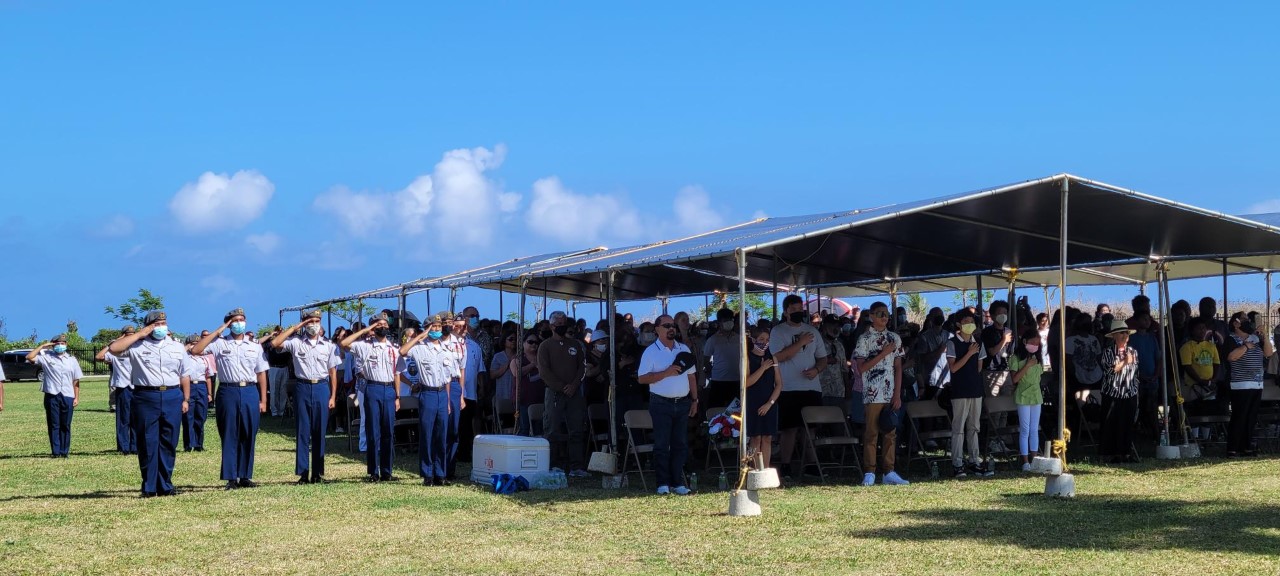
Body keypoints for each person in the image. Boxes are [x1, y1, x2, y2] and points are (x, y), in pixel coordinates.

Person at [106, 312, 191, 497]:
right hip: (145, 395)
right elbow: (113, 349)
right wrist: (137, 335)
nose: (161, 326)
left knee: (169, 442)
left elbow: (185, 374)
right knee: (147, 441)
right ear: (148, 326)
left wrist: (186, 398)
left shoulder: (177, 347)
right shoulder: (136, 345)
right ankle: (149, 486)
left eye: (164, 323)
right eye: (156, 324)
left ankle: (165, 484)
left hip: (171, 394)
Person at [192, 308, 270, 490]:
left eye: (242, 319)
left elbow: (261, 373)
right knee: (229, 433)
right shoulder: (220, 343)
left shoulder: (254, 345)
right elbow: (196, 349)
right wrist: (219, 330)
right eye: (234, 320)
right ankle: (230, 477)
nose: (239, 323)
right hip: (228, 391)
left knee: (248, 433)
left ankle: (245, 476)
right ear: (228, 324)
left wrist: (263, 400)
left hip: (250, 390)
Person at [271, 311, 342, 484]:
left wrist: (332, 396)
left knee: (319, 431)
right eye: (311, 321)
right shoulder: (296, 342)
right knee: (303, 431)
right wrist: (297, 327)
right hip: (302, 386)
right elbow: (275, 343)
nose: (314, 324)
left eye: (317, 321)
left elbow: (333, 373)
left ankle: (317, 473)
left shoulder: (329, 345)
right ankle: (303, 473)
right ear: (304, 323)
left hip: (321, 387)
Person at [638, 314, 698, 495]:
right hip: (660, 403)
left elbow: (691, 376)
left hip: (682, 403)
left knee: (680, 444)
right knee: (662, 445)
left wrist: (695, 400)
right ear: (657, 329)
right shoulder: (650, 352)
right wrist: (666, 372)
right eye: (666, 325)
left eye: (672, 325)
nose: (671, 328)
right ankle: (662, 483)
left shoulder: (684, 349)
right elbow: (642, 378)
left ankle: (678, 482)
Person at [769, 295, 828, 477]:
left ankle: (811, 465)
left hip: (811, 387)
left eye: (800, 309)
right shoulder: (778, 332)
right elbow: (777, 357)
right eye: (793, 310)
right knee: (789, 428)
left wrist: (817, 370)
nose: (798, 312)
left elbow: (823, 358)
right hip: (787, 387)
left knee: (810, 428)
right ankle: (786, 465)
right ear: (786, 311)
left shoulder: (813, 331)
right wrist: (800, 343)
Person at [853, 302, 909, 486]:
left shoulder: (894, 338)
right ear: (871, 316)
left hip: (889, 392)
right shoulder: (864, 339)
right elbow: (861, 368)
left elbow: (898, 368)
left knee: (890, 431)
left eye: (886, 314)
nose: (884, 317)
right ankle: (870, 471)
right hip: (871, 393)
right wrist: (884, 353)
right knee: (871, 433)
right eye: (880, 314)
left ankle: (889, 471)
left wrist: (897, 394)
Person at [341, 314, 402, 482]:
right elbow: (344, 344)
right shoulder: (365, 346)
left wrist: (398, 396)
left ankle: (387, 471)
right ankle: (373, 471)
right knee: (373, 430)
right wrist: (367, 330)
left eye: (384, 324)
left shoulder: (394, 348)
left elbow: (397, 373)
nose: (382, 327)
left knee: (388, 431)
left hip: (389, 389)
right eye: (378, 324)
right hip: (372, 387)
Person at [399, 315, 453, 486]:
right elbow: (402, 351)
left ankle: (440, 473)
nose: (436, 330)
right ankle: (427, 473)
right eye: (433, 327)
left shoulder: (446, 349)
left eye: (438, 327)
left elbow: (448, 378)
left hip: (442, 394)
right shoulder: (420, 348)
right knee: (427, 434)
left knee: (442, 435)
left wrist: (449, 400)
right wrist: (421, 336)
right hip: (427, 393)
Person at [537, 312, 589, 477]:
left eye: (564, 322)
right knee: (553, 429)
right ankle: (554, 464)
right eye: (559, 322)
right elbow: (544, 371)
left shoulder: (575, 344)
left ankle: (576, 466)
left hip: (574, 393)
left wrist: (574, 385)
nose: (562, 325)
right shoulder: (545, 346)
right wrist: (561, 387)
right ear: (552, 326)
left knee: (576, 429)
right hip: (554, 393)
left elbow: (582, 367)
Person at [946, 310, 989, 478]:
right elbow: (954, 367)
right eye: (966, 321)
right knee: (958, 428)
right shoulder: (952, 343)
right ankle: (957, 463)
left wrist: (973, 354)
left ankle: (974, 461)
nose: (970, 324)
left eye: (972, 321)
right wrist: (969, 353)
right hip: (959, 391)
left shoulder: (978, 342)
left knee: (974, 427)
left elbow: (979, 367)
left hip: (975, 389)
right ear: (959, 324)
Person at [1223, 311, 1272, 457]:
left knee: (1251, 416)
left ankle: (1247, 447)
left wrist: (1264, 336)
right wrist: (1245, 346)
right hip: (1240, 383)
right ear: (1235, 323)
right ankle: (1233, 447)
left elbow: (1268, 353)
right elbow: (1231, 357)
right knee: (1240, 415)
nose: (1247, 321)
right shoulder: (1231, 339)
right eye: (1243, 319)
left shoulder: (1256, 338)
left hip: (1256, 383)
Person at [26, 334, 82, 457]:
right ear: (52, 345)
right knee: (54, 424)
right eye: (57, 344)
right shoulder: (46, 358)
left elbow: (76, 380)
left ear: (66, 344)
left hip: (67, 395)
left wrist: (76, 397)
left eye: (62, 343)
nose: (60, 346)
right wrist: (42, 346)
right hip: (52, 394)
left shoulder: (72, 360)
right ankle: (56, 452)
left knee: (65, 424)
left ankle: (64, 451)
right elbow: (29, 357)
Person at [1099, 319, 1139, 463]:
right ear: (1114, 336)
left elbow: (1135, 373)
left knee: (1127, 424)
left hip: (1130, 392)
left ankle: (1126, 453)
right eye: (1121, 333)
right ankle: (1109, 454)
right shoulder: (1108, 353)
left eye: (1126, 333)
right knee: (1111, 424)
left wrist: (1135, 389)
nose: (1124, 335)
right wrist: (1124, 362)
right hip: (1112, 393)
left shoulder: (1133, 351)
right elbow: (1110, 372)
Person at [1179, 317, 1224, 441]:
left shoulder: (1211, 346)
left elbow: (1217, 363)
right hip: (1193, 386)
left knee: (1208, 410)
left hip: (1209, 385)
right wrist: (1200, 380)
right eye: (1199, 328)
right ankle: (1195, 438)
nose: (1202, 331)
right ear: (1192, 330)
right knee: (1196, 411)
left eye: (1204, 328)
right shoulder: (1187, 347)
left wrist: (1213, 379)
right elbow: (1187, 366)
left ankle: (1207, 439)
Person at [453, 312, 486, 475]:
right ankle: (453, 453)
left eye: (464, 327)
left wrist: (481, 387)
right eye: (459, 326)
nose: (462, 329)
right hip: (453, 391)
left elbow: (480, 369)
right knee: (455, 425)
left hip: (470, 391)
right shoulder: (448, 344)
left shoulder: (474, 346)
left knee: (466, 425)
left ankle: (464, 454)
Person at [1007, 329, 1044, 471]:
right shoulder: (1015, 358)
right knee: (1025, 429)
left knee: (1034, 429)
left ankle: (1034, 459)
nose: (1035, 345)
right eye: (1032, 343)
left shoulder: (1038, 358)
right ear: (1024, 342)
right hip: (1022, 395)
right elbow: (1015, 379)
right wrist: (1027, 365)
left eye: (1037, 343)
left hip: (1036, 395)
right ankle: (1024, 460)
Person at [745, 327, 782, 469]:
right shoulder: (747, 358)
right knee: (756, 437)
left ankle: (765, 470)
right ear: (753, 340)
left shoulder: (772, 358)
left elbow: (779, 384)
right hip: (753, 402)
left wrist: (770, 403)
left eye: (767, 340)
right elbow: (747, 382)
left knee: (767, 438)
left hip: (769, 402)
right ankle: (755, 470)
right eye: (761, 339)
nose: (764, 343)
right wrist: (762, 368)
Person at [97, 326, 137, 454]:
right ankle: (123, 447)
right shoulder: (114, 352)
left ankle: (135, 446)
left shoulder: (138, 349)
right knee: (123, 419)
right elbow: (99, 357)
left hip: (138, 387)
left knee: (136, 419)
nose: (129, 336)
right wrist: (114, 343)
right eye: (127, 334)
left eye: (132, 334)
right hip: (123, 387)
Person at [702, 308, 742, 411]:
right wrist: (712, 372)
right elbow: (706, 360)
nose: (729, 322)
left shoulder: (740, 338)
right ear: (719, 322)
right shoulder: (712, 340)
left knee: (736, 411)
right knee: (715, 410)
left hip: (737, 380)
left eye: (730, 320)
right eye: (725, 320)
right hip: (718, 381)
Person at [182, 334, 214, 452]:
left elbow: (209, 377)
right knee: (188, 416)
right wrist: (186, 348)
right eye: (193, 344)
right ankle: (188, 444)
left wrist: (210, 393)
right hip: (189, 385)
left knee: (201, 416)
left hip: (201, 386)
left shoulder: (204, 359)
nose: (196, 346)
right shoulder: (184, 357)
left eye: (198, 343)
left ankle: (199, 444)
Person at [514, 334, 542, 437]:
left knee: (539, 430)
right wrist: (532, 365)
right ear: (523, 343)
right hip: (524, 400)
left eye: (536, 342)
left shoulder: (542, 358)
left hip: (540, 399)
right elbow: (517, 373)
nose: (534, 344)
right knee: (524, 429)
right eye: (531, 342)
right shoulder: (518, 359)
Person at [265, 326, 292, 417]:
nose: (280, 332)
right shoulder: (271, 344)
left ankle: (281, 411)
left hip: (284, 368)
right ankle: (274, 411)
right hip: (274, 368)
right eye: (278, 331)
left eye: (281, 331)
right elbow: (266, 346)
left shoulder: (287, 343)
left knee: (283, 390)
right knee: (274, 390)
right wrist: (272, 335)